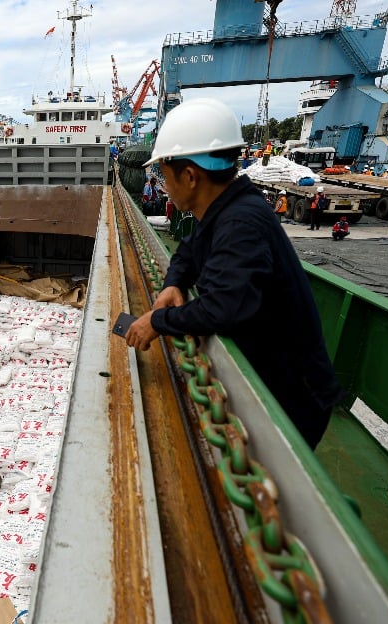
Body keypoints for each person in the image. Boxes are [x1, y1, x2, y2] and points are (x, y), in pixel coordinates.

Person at [124, 97, 343, 448]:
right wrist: (174, 283)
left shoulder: (241, 222)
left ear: (190, 176)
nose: (163, 185)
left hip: (291, 399)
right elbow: (190, 249)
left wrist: (156, 322)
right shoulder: (226, 207)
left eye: (165, 176)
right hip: (269, 377)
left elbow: (222, 308)